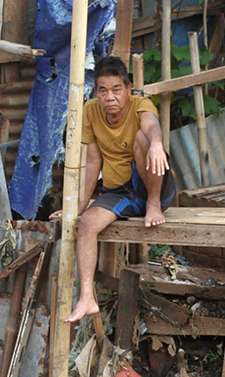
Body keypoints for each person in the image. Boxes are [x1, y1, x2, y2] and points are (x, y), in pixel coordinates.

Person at [55, 56, 174, 323]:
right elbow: (93, 161)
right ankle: (87, 297)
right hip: (119, 192)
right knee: (86, 224)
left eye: (116, 89)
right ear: (97, 91)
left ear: (128, 89)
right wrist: (79, 207)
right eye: (103, 90)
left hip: (152, 184)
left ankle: (153, 204)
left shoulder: (140, 105)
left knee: (144, 139)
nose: (110, 97)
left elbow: (152, 125)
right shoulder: (90, 111)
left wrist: (157, 143)